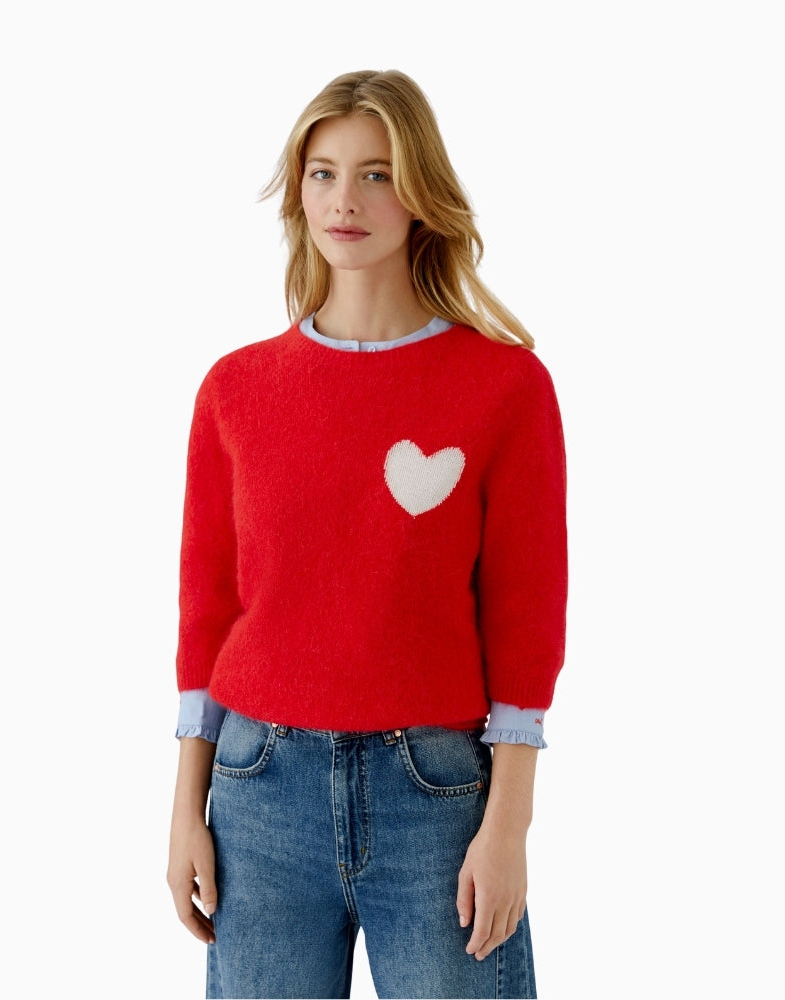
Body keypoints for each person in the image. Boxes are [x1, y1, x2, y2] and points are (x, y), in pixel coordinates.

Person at [167, 69, 567, 1000]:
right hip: (258, 791)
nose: (344, 200)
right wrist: (186, 809)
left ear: (422, 192)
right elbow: (207, 610)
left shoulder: (505, 387)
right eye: (323, 173)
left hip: (435, 795)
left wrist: (509, 824)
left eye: (377, 174)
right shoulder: (235, 390)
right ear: (298, 191)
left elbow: (526, 613)